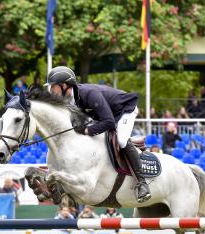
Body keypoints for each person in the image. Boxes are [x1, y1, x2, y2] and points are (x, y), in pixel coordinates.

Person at [45, 66, 151, 203]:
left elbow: (109, 122)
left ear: (64, 85)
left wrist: (86, 130)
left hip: (125, 109)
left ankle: (142, 183)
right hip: (107, 114)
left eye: (53, 87)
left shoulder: (88, 94)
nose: (51, 90)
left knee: (122, 140)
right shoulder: (68, 100)